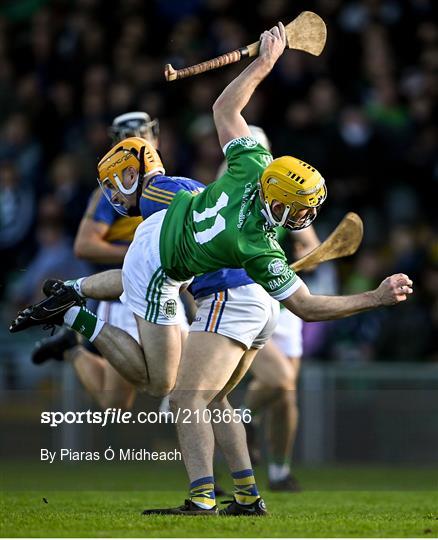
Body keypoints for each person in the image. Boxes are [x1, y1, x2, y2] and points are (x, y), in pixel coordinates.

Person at [11, 22, 413, 516]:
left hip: (221, 295)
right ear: (281, 202)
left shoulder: (247, 170)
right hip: (231, 296)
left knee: (179, 395)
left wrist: (264, 62)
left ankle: (202, 497)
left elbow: (224, 108)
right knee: (209, 397)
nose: (307, 218)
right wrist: (373, 296)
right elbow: (305, 307)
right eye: (303, 210)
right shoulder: (255, 245)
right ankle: (245, 495)